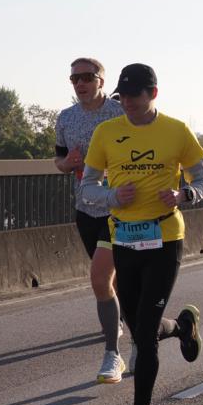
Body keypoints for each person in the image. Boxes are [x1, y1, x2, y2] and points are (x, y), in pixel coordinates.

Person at [80, 63, 203, 405]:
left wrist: (184, 194)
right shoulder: (106, 132)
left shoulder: (176, 131)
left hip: (165, 237)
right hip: (124, 237)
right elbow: (88, 186)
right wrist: (111, 196)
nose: (128, 106)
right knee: (140, 327)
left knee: (144, 339)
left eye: (135, 98)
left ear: (153, 93)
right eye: (123, 98)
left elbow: (202, 179)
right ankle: (182, 326)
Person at [53, 57, 127, 382]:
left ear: (101, 80)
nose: (80, 83)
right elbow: (59, 161)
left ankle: (114, 352)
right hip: (85, 209)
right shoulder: (65, 118)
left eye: (86, 77)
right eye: (74, 79)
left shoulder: (119, 113)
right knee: (108, 281)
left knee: (101, 277)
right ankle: (124, 322)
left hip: (119, 210)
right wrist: (67, 162)